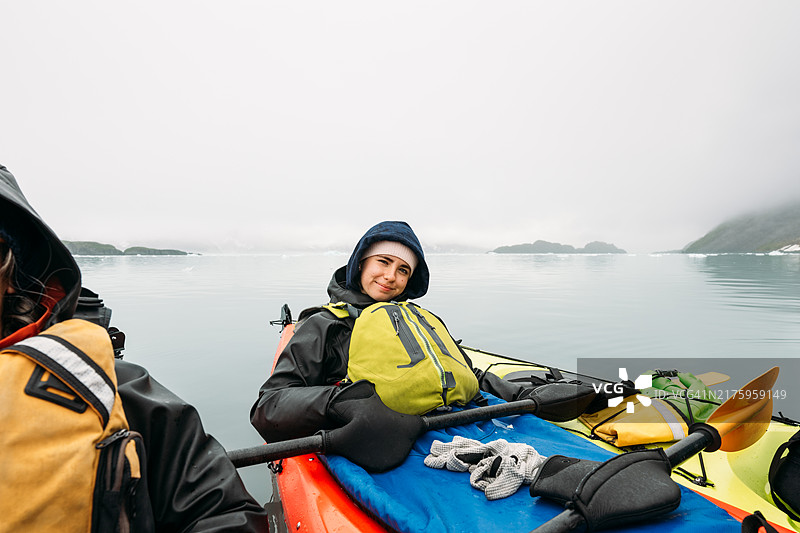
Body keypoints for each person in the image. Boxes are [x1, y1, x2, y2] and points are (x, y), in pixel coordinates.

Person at [0, 164, 268, 533]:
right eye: (378, 262)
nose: (381, 276)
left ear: (10, 269)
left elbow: (223, 513)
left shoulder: (112, 391)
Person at [250, 221, 586, 463]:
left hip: (453, 430)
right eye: (383, 262)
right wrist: (338, 402)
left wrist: (522, 394)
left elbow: (468, 376)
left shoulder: (420, 320)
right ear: (361, 263)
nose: (390, 277)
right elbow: (268, 407)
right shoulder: (325, 326)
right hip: (381, 443)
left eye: (403, 270)